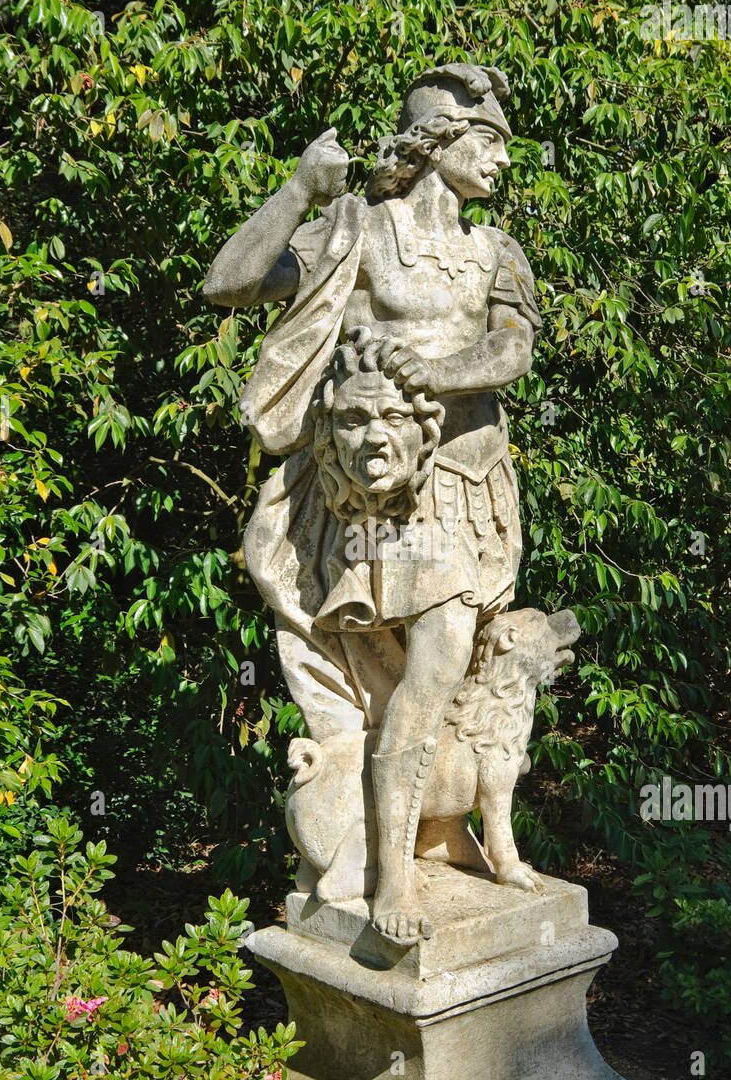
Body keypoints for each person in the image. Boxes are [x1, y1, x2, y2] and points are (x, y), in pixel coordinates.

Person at [205, 64, 541, 943]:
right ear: (437, 142)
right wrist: (298, 190)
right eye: (488, 143)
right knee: (390, 695)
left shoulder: (496, 251)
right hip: (372, 501)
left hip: (468, 489)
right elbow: (229, 282)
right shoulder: (359, 230)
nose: (501, 162)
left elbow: (511, 352)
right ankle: (393, 870)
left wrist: (443, 371)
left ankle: (431, 847)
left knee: (442, 681)